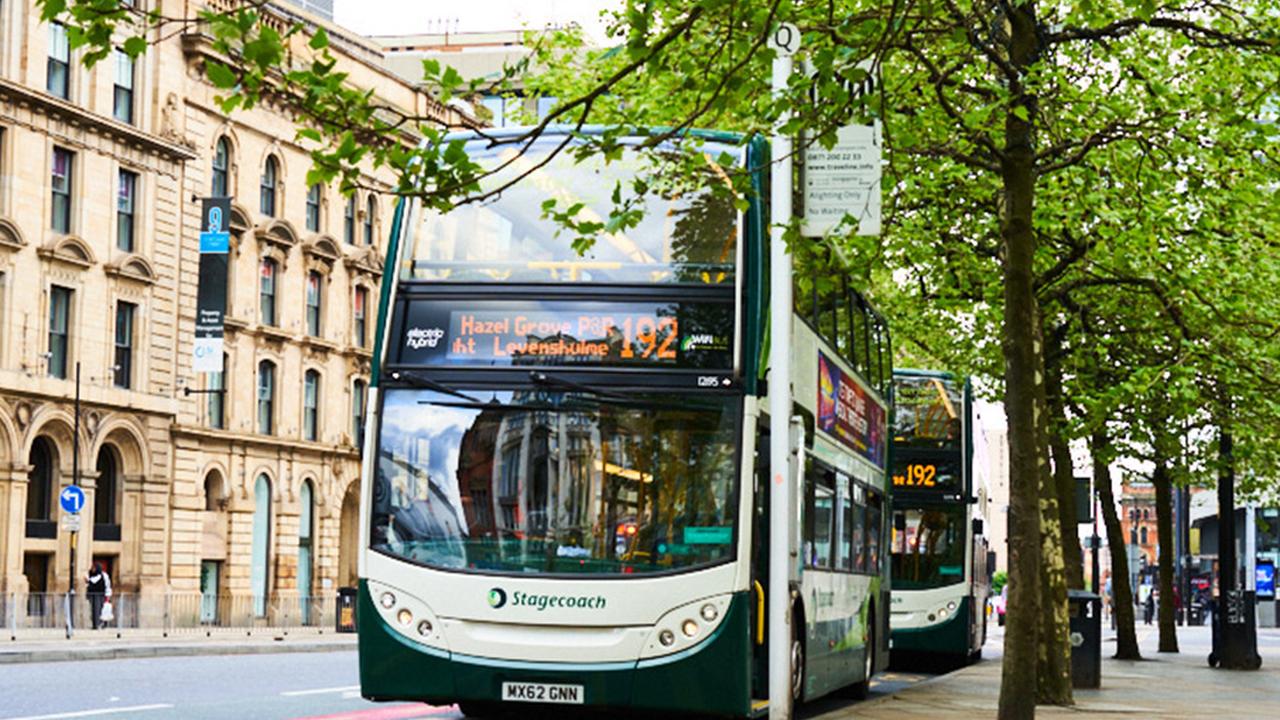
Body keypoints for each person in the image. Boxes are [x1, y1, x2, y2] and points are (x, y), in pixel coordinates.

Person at [86, 562, 112, 630]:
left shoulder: (104, 575)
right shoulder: (91, 575)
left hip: (100, 596)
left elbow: (107, 585)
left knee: (100, 610)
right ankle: (95, 625)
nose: (92, 569)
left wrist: (108, 596)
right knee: (93, 611)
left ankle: (101, 624)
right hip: (93, 596)